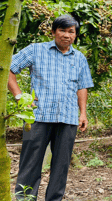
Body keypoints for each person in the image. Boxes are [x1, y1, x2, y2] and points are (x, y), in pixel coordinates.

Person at [9, 14, 94, 201]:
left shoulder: (79, 58)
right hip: (37, 117)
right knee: (30, 164)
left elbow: (82, 87)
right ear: (54, 31)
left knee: (61, 166)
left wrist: (83, 113)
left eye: (71, 32)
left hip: (68, 118)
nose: (66, 35)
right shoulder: (36, 50)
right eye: (62, 30)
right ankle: (25, 199)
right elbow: (9, 68)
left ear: (75, 35)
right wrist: (20, 97)